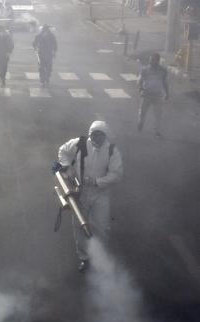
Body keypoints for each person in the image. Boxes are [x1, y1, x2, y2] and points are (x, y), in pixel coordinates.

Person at [55, 121, 123, 272]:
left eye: (100, 135)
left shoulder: (112, 150)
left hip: (101, 194)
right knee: (79, 225)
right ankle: (84, 257)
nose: (96, 138)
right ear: (90, 134)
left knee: (101, 226)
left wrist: (97, 182)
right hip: (81, 193)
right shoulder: (80, 144)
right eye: (94, 135)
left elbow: (117, 174)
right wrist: (67, 166)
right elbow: (63, 151)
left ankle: (101, 257)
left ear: (105, 136)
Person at [138, 53, 169, 139]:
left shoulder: (163, 70)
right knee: (142, 112)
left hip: (158, 95)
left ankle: (157, 131)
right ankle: (141, 122)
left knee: (158, 115)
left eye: (153, 60)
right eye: (150, 59)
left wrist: (167, 93)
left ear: (158, 61)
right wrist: (140, 89)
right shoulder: (144, 70)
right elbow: (140, 81)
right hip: (146, 94)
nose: (151, 61)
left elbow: (165, 83)